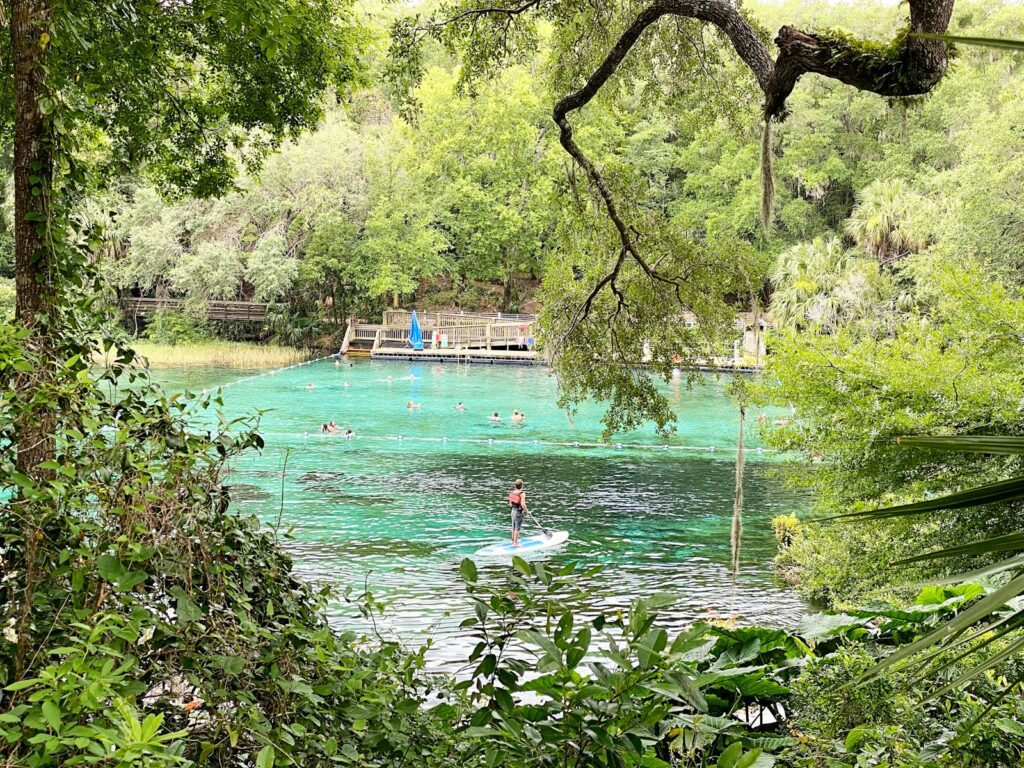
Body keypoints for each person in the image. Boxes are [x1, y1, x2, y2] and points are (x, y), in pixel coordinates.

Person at [508, 478, 529, 546]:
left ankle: (513, 541)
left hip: (512, 511)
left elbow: (510, 504)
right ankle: (515, 543)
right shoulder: (522, 494)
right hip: (518, 512)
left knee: (513, 526)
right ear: (522, 486)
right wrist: (527, 511)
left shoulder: (512, 493)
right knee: (517, 527)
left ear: (515, 486)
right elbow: (523, 504)